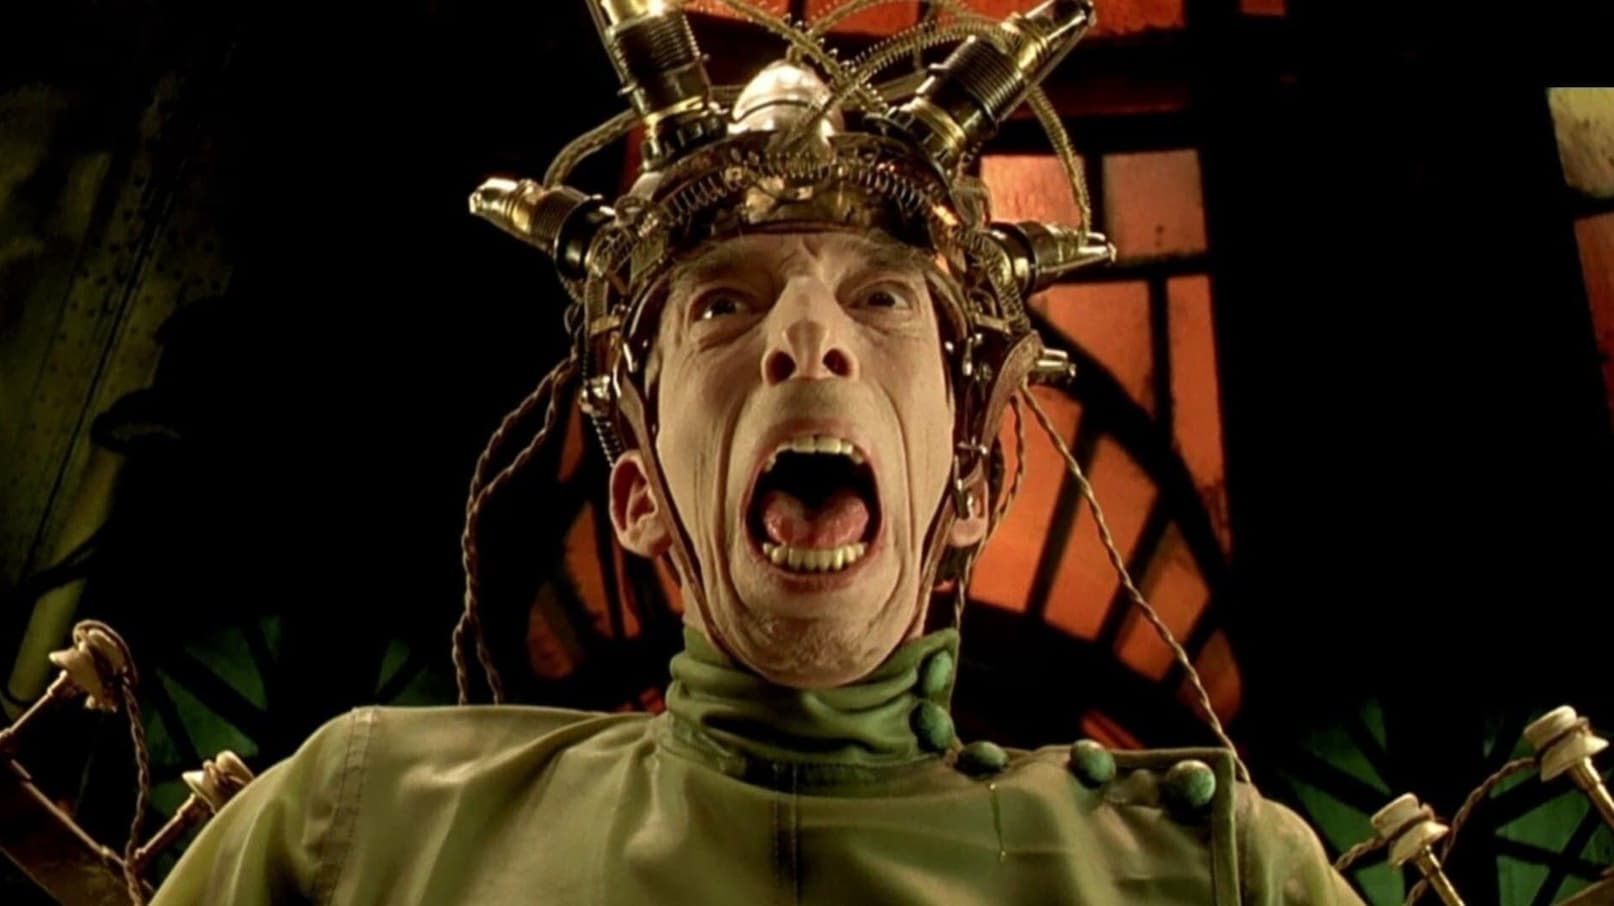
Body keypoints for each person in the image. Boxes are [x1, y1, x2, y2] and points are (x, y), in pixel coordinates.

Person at [153, 1, 1366, 902]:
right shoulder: (361, 834)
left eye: (882, 299)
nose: (805, 337)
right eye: (722, 305)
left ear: (974, 485)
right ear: (638, 495)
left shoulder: (1216, 873)